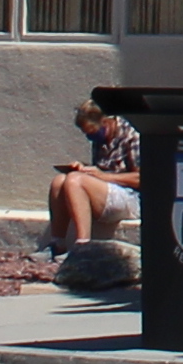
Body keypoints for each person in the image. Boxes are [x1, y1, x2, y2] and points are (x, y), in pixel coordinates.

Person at [46, 101, 141, 254]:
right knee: (60, 181)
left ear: (106, 122)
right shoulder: (101, 141)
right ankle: (57, 244)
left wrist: (103, 177)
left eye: (93, 132)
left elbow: (141, 178)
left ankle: (82, 247)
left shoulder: (132, 137)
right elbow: (101, 170)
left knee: (74, 181)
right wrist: (84, 169)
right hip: (105, 193)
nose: (92, 137)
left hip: (131, 198)